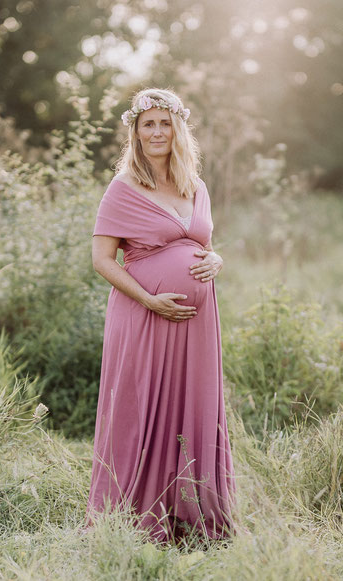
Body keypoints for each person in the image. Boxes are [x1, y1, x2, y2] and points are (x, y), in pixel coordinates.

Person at [84, 88, 237, 543]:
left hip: (197, 324)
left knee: (194, 405)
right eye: (147, 123)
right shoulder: (123, 188)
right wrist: (149, 299)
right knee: (140, 409)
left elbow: (203, 246)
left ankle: (192, 515)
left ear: (178, 129)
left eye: (164, 123)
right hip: (144, 317)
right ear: (135, 131)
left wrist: (218, 262)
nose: (156, 132)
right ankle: (132, 518)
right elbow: (103, 260)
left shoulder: (196, 186)